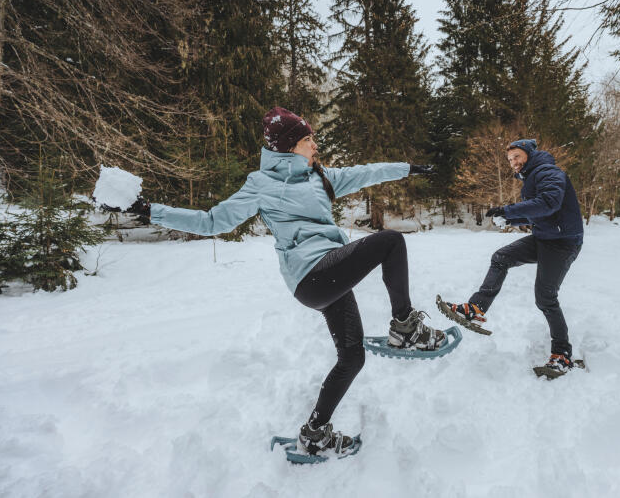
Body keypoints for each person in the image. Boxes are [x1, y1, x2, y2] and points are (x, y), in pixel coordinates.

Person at [115, 107, 446, 456]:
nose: (314, 145)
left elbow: (366, 173)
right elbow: (212, 221)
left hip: (329, 276)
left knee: (353, 357)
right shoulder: (262, 184)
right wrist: (151, 210)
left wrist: (407, 168)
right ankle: (406, 328)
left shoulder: (319, 177)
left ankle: (314, 434)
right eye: (307, 140)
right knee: (391, 242)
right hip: (312, 274)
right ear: (288, 146)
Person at [440, 139, 583, 374]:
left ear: (529, 154)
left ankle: (562, 355)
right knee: (501, 257)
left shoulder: (548, 171)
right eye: (509, 159)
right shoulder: (532, 176)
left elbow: (548, 203)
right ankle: (476, 308)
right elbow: (539, 214)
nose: (513, 162)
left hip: (562, 243)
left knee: (545, 298)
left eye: (516, 156)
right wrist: (510, 219)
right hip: (545, 237)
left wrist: (508, 210)